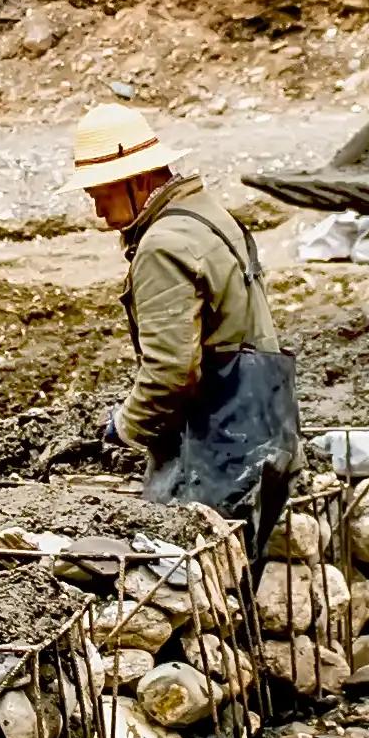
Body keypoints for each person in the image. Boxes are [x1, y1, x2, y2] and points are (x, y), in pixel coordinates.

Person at [70, 103, 301, 514]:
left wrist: (123, 427)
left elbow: (170, 372)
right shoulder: (208, 214)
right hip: (263, 430)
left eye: (101, 196)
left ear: (136, 180)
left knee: (180, 570)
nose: (100, 213)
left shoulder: (163, 244)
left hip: (214, 451)